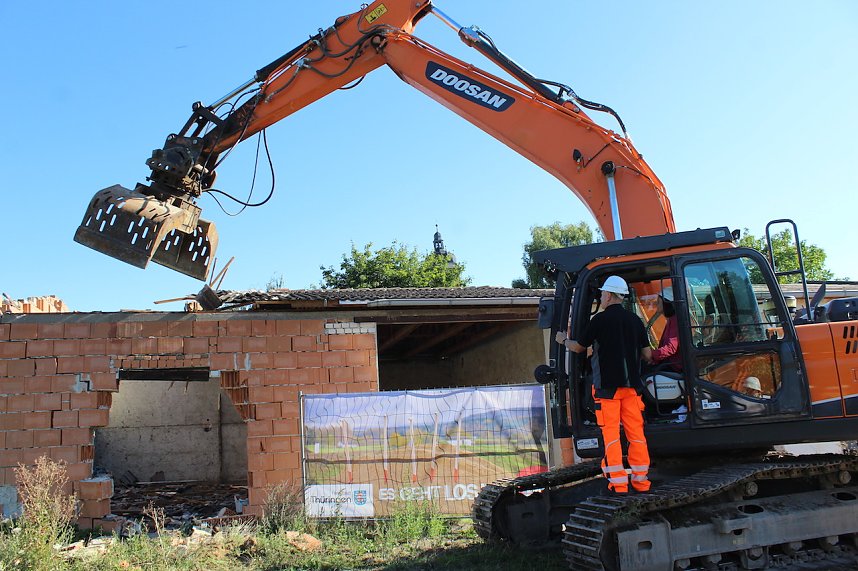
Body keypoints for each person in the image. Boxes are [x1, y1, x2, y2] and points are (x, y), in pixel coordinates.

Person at [555, 275, 653, 494]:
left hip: (607, 390)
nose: (600, 297)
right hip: (632, 389)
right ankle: (641, 481)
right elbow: (647, 354)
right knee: (636, 434)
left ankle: (619, 485)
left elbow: (580, 348)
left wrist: (563, 340)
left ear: (608, 295)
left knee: (611, 436)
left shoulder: (598, 321)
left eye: (601, 294)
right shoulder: (635, 321)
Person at [649, 286, 682, 371]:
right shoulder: (671, 319)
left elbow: (671, 348)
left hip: (674, 366)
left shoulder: (675, 320)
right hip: (669, 363)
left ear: (666, 303)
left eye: (658, 302)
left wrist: (652, 354)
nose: (656, 304)